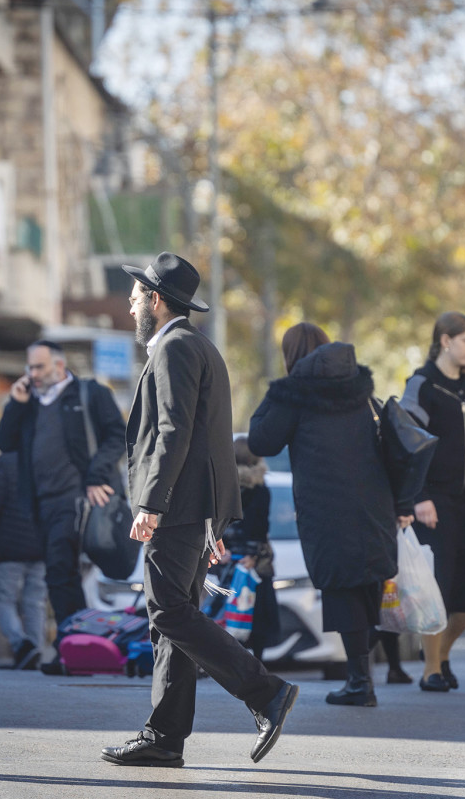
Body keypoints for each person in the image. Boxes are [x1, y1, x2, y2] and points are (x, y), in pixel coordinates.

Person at [101, 252, 297, 768]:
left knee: (166, 611)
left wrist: (152, 502)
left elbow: (174, 433)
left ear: (157, 301)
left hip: (177, 506)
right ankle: (164, 737)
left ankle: (265, 692)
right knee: (169, 617)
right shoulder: (194, 347)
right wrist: (213, 520)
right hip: (194, 508)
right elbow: (206, 441)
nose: (131, 302)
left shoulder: (175, 349)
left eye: (137, 294)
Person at [248, 322, 411, 708]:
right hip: (374, 504)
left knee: (341, 587)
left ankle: (360, 683)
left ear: (291, 356)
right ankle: (361, 676)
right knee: (366, 583)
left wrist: (277, 393)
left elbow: (260, 439)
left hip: (327, 508)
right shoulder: (359, 387)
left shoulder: (294, 395)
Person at [399, 311, 465, 692]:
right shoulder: (422, 384)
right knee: (436, 586)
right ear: (445, 340)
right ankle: (431, 669)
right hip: (435, 501)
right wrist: (419, 497)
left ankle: (441, 652)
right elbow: (407, 444)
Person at [0, 339, 125, 627]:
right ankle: (76, 639)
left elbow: (118, 436)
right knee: (59, 573)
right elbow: (5, 443)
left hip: (77, 497)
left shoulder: (89, 393)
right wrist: (15, 405)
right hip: (41, 503)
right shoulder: (28, 404)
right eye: (30, 367)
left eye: (39, 367)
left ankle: (73, 637)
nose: (33, 374)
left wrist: (96, 477)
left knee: (59, 568)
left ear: (59, 365)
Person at [0, 452, 47, 670]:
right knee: (35, 602)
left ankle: (22, 645)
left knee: (3, 598)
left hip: (8, 545)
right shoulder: (44, 460)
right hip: (40, 545)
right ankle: (35, 650)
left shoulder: (5, 463)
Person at [220, 438, 280, 662]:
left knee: (222, 611)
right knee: (256, 615)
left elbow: (219, 521)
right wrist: (253, 555)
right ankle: (257, 662)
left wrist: (220, 549)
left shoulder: (224, 485)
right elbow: (260, 526)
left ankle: (226, 661)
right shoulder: (260, 487)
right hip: (251, 562)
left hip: (226, 559)